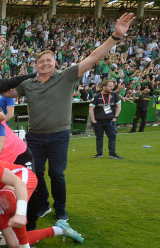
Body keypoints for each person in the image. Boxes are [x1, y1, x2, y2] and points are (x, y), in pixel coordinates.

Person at [8, 13, 136, 223]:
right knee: (35, 173)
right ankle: (44, 205)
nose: (45, 63)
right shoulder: (27, 84)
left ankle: (61, 209)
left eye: (48, 60)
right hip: (35, 137)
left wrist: (115, 36)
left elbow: (94, 58)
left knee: (57, 174)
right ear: (35, 65)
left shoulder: (67, 76)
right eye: (41, 61)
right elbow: (8, 93)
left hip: (59, 135)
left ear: (55, 63)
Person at [89, 79, 122, 159]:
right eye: (110, 86)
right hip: (99, 121)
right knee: (99, 137)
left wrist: (115, 117)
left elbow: (119, 106)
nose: (112, 88)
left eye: (112, 86)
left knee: (112, 137)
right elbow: (91, 109)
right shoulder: (97, 97)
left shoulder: (114, 95)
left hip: (110, 121)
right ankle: (99, 154)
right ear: (104, 87)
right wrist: (93, 120)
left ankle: (112, 154)